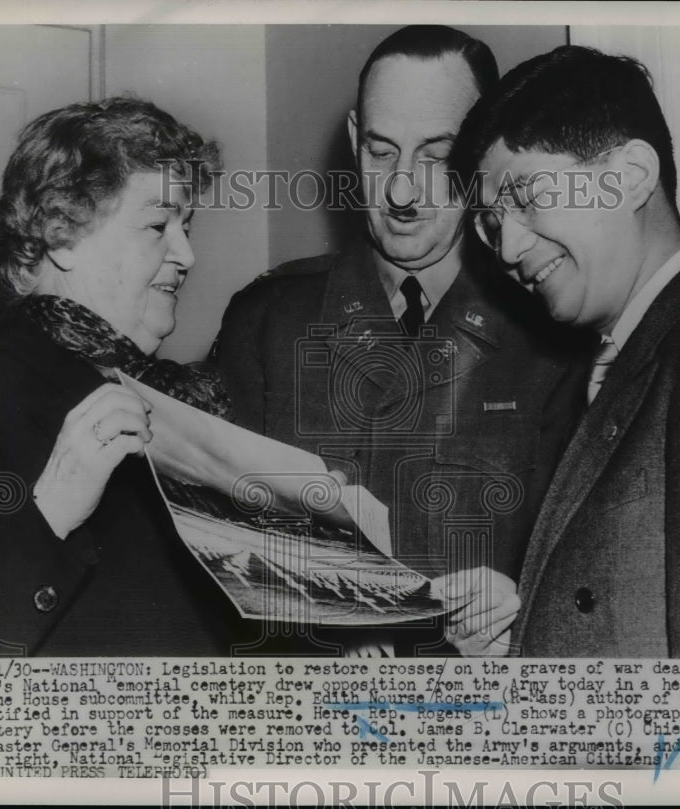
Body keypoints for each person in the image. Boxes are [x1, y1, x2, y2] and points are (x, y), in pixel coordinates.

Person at [213, 26, 587, 655]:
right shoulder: (268, 319)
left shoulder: (552, 334)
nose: (402, 193)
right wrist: (321, 621)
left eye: (436, 157)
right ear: (356, 139)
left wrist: (519, 616)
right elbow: (218, 557)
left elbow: (586, 578)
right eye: (381, 153)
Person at [453, 45, 680, 657]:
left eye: (525, 198)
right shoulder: (606, 373)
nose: (508, 247)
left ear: (629, 176)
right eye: (492, 225)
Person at [0, 97, 241, 657]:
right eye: (158, 223)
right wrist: (52, 511)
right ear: (61, 235)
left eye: (188, 225)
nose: (187, 254)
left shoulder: (178, 401)